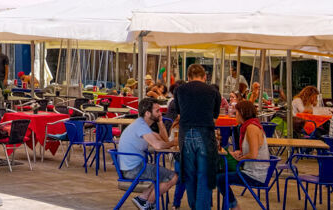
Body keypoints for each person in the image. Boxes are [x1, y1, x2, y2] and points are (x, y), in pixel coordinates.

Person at [169, 64, 222, 210]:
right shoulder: (213, 91)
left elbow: (179, 113)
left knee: (190, 176)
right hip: (205, 134)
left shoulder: (179, 90)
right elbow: (215, 116)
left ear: (188, 77)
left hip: (185, 134)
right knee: (204, 176)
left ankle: (194, 206)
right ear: (205, 77)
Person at [116, 97, 178, 210]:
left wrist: (160, 123)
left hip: (131, 166)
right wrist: (174, 142)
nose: (160, 113)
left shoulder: (141, 125)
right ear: (148, 113)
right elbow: (158, 145)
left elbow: (163, 140)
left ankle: (143, 198)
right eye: (157, 111)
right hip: (133, 169)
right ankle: (148, 204)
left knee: (161, 174)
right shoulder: (141, 127)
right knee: (173, 177)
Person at [216, 100, 271, 210]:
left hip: (255, 174)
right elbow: (253, 151)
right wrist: (240, 153)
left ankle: (234, 206)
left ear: (242, 113)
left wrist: (240, 157)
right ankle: (231, 205)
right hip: (253, 170)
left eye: (236, 113)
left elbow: (254, 155)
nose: (234, 115)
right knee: (221, 174)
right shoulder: (250, 125)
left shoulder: (251, 128)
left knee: (219, 178)